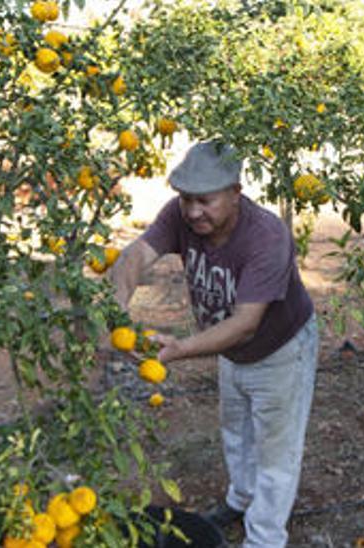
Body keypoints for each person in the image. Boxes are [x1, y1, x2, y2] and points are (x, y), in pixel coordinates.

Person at [108, 141, 318, 547]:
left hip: (280, 351)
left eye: (205, 201)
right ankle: (240, 501)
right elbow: (136, 254)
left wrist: (180, 349)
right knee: (236, 431)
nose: (192, 211)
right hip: (230, 349)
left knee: (277, 454)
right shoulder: (180, 217)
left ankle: (264, 539)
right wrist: (116, 312)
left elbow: (245, 324)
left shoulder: (266, 236)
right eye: (186, 199)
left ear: (235, 192)